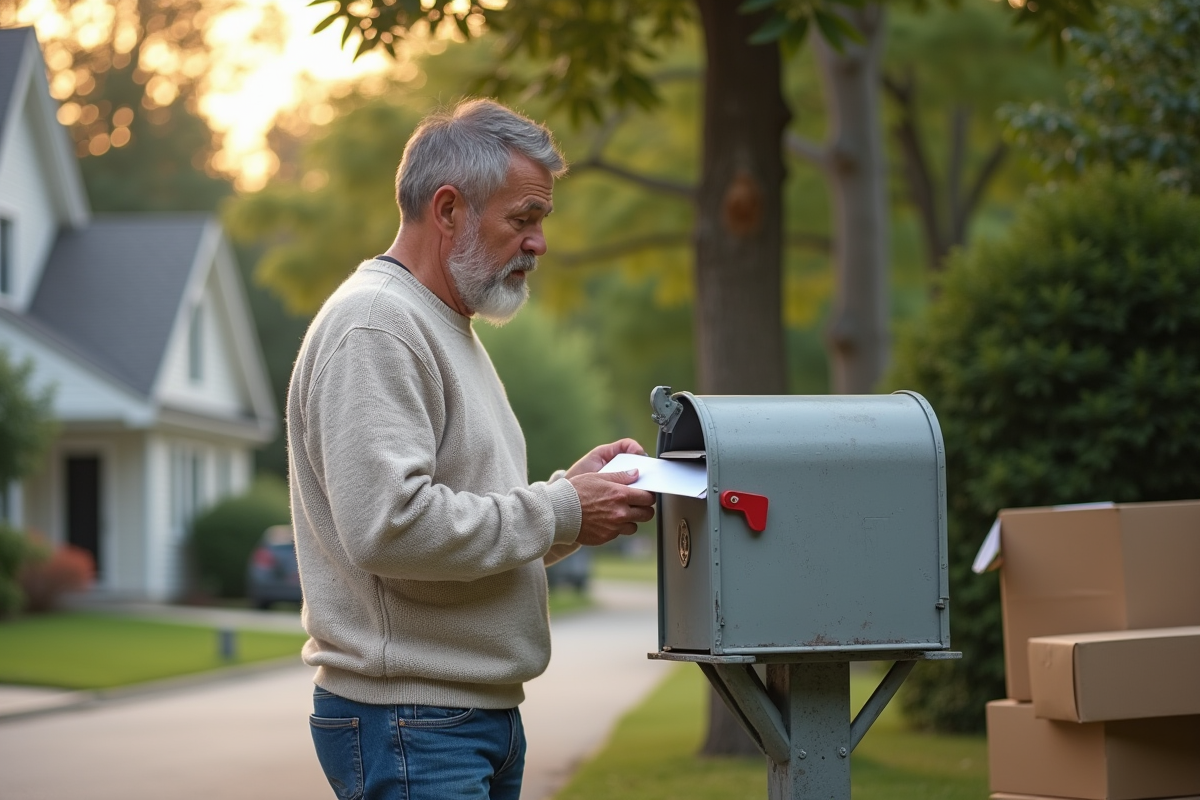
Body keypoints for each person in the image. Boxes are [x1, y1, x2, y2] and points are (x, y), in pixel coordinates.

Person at [287, 98, 657, 800]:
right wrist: (559, 509)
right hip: (412, 719)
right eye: (524, 220)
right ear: (449, 210)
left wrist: (571, 500)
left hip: (456, 715)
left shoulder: (444, 325)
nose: (540, 243)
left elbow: (461, 527)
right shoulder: (377, 325)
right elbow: (390, 527)